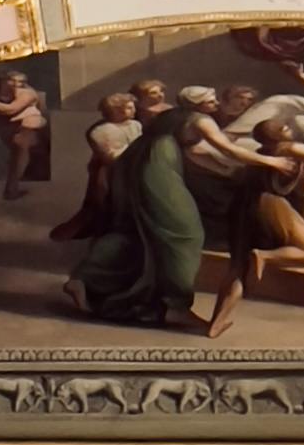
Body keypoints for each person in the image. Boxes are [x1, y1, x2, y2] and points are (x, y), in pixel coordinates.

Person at [66, 90, 204, 327]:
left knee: (129, 233)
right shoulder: (157, 143)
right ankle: (175, 305)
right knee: (184, 235)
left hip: (127, 176)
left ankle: (84, 279)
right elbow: (114, 158)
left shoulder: (143, 136)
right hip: (122, 178)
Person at [49, 85, 142, 241]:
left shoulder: (136, 125)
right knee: (109, 202)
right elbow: (110, 156)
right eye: (129, 108)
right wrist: (137, 149)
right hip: (111, 172)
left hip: (133, 168)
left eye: (133, 108)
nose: (134, 111)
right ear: (116, 111)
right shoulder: (101, 131)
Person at [0, 64, 50, 199]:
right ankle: (11, 190)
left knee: (20, 153)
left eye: (21, 82)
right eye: (11, 81)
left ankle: (11, 190)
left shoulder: (27, 93)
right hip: (14, 128)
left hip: (29, 127)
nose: (16, 84)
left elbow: (10, 109)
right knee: (16, 157)